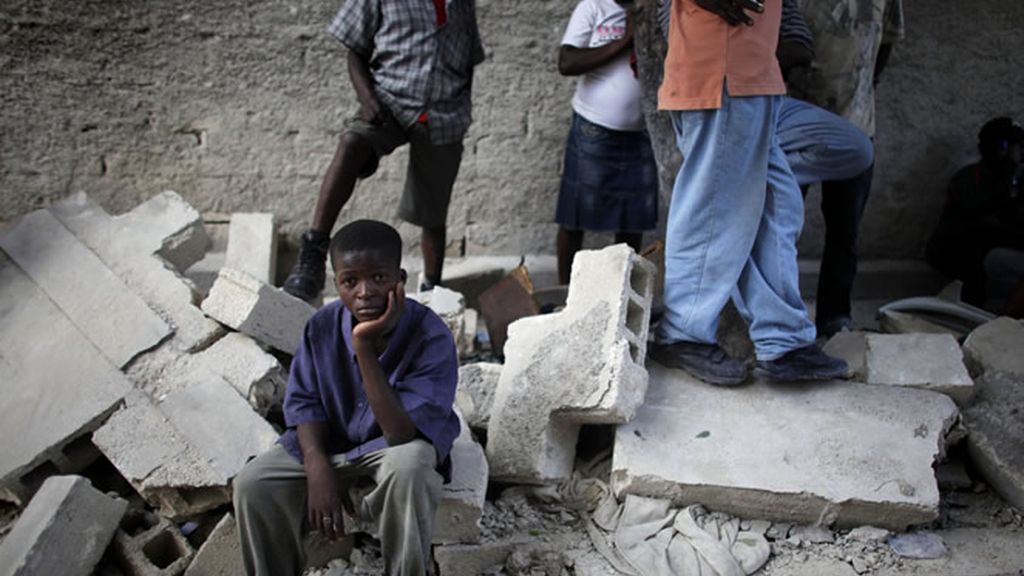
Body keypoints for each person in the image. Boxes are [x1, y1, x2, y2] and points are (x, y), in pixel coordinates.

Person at [234, 220, 460, 576]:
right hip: (333, 440)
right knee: (253, 483)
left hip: (392, 445)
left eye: (379, 278)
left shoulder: (430, 334)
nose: (365, 292)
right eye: (350, 281)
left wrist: (364, 347)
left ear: (400, 279)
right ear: (336, 283)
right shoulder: (321, 325)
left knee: (411, 468)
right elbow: (304, 401)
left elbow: (401, 434)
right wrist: (316, 465)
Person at [648, 0, 848, 386]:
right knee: (713, 213)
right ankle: (682, 331)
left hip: (753, 78)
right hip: (719, 72)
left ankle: (783, 338)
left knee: (776, 208)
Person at [282, 0, 486, 302]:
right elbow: (355, 52)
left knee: (433, 207)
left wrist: (462, 109)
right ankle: (312, 256)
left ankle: (432, 289)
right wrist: (367, 100)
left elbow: (468, 59)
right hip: (389, 102)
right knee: (352, 142)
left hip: (443, 114)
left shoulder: (462, 4)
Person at [789, 0, 905, 337]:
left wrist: (860, 92)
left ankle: (834, 317)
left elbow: (887, 43)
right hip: (797, 124)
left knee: (845, 231)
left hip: (856, 123)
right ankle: (782, 319)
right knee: (780, 227)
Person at [554, 0, 658, 285]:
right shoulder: (593, 7)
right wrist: (626, 40)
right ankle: (565, 294)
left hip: (641, 132)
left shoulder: (656, 8)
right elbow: (567, 61)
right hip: (593, 129)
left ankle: (621, 295)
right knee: (575, 217)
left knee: (631, 221)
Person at [927, 117, 1024, 309]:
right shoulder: (969, 179)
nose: (1013, 154)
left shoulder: (1015, 180)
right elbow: (978, 220)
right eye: (1006, 146)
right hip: (964, 256)